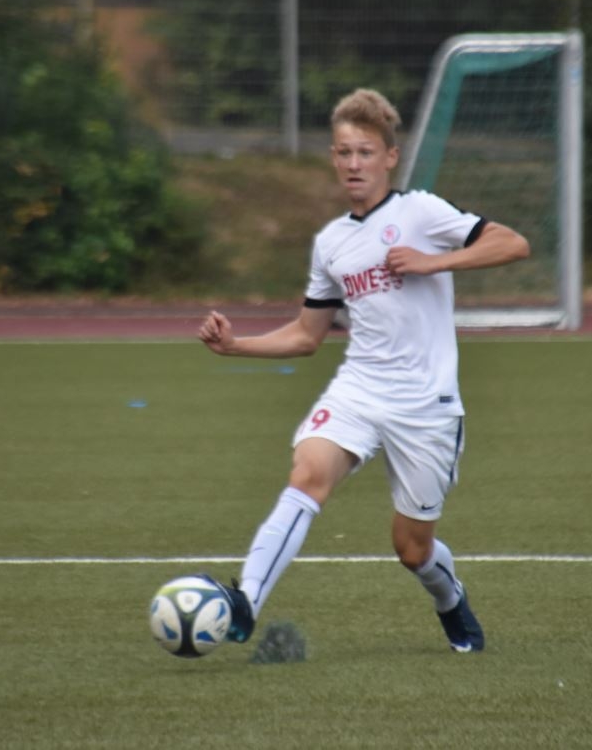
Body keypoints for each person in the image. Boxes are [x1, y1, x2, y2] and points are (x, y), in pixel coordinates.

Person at [197, 88, 530, 655]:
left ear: (390, 157)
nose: (354, 164)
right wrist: (235, 346)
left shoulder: (420, 212)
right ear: (333, 157)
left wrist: (434, 261)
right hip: (360, 388)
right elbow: (307, 335)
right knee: (307, 474)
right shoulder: (331, 243)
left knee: (412, 549)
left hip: (426, 404)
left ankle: (450, 600)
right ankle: (246, 602)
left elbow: (513, 243)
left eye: (366, 153)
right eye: (345, 153)